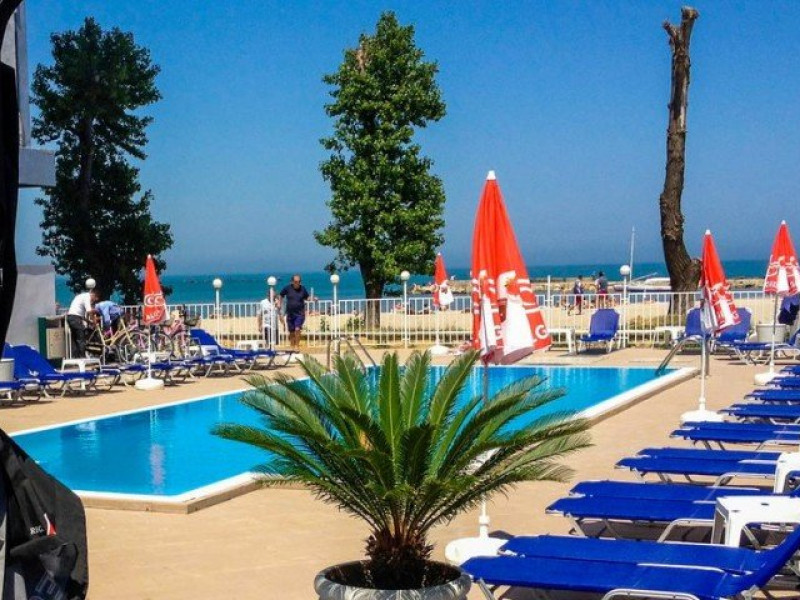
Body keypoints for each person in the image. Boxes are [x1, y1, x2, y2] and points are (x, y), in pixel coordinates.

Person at [279, 274, 310, 351]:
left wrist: (313, 298)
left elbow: (307, 297)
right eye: (296, 281)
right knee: (291, 332)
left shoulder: (303, 289)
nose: (297, 283)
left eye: (299, 281)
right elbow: (281, 295)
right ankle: (292, 346)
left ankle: (297, 346)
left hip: (300, 313)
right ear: (292, 281)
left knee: (297, 329)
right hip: (290, 314)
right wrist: (279, 303)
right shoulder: (287, 288)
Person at [67, 289, 98, 357]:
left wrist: (89, 321)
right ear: (92, 294)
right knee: (81, 338)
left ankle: (76, 358)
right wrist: (94, 322)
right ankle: (82, 357)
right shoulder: (87, 297)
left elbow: (81, 316)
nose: (94, 300)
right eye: (95, 298)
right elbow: (89, 311)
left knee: (76, 339)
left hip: (71, 318)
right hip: (75, 319)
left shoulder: (81, 296)